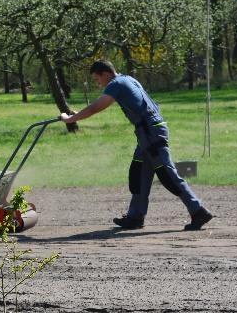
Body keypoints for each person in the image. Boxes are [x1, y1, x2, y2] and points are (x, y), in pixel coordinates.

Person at [59, 60, 213, 231]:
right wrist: (77, 114)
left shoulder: (116, 83)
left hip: (151, 133)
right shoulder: (127, 79)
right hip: (147, 133)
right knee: (139, 173)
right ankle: (135, 217)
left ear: (106, 74)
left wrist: (70, 119)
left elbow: (96, 107)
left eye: (97, 79)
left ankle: (198, 210)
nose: (98, 83)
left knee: (168, 175)